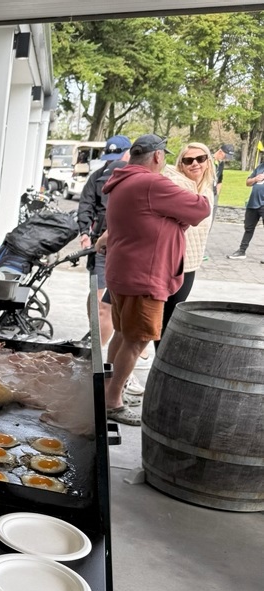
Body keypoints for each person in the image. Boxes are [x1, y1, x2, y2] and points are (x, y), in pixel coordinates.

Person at [98, 134, 211, 426]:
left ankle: (107, 390)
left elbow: (157, 217)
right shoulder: (152, 183)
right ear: (158, 156)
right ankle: (112, 402)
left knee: (122, 334)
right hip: (145, 277)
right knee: (137, 341)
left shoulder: (123, 180)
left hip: (124, 272)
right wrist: (180, 212)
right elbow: (200, 208)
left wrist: (173, 218)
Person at [76, 135, 131, 347]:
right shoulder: (97, 177)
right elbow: (85, 205)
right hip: (100, 246)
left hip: (126, 248)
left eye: (117, 157)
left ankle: (98, 348)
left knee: (108, 304)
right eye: (110, 158)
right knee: (96, 298)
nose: (112, 162)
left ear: (128, 154)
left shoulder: (138, 179)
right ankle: (96, 339)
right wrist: (84, 233)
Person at [160, 142, 215, 342]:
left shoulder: (207, 188)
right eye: (188, 160)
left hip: (191, 262)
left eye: (200, 159)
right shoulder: (176, 186)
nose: (195, 163)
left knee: (172, 315)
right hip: (171, 262)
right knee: (164, 317)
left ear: (208, 162)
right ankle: (159, 356)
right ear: (181, 164)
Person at [228, 154, 264, 260]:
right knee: (248, 228)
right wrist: (255, 179)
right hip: (253, 203)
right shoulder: (260, 167)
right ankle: (241, 251)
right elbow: (248, 183)